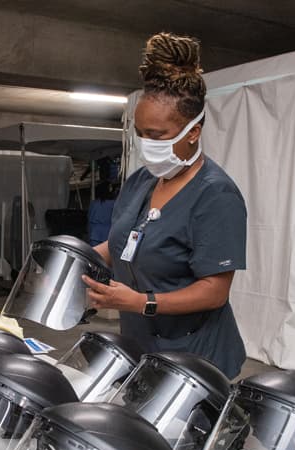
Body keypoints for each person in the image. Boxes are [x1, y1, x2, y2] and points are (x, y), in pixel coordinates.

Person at [83, 32, 247, 378]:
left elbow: (214, 291)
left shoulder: (215, 196)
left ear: (193, 132)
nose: (146, 144)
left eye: (156, 135)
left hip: (196, 357)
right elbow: (120, 243)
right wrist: (76, 262)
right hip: (142, 345)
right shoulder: (140, 182)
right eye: (140, 133)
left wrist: (141, 302)